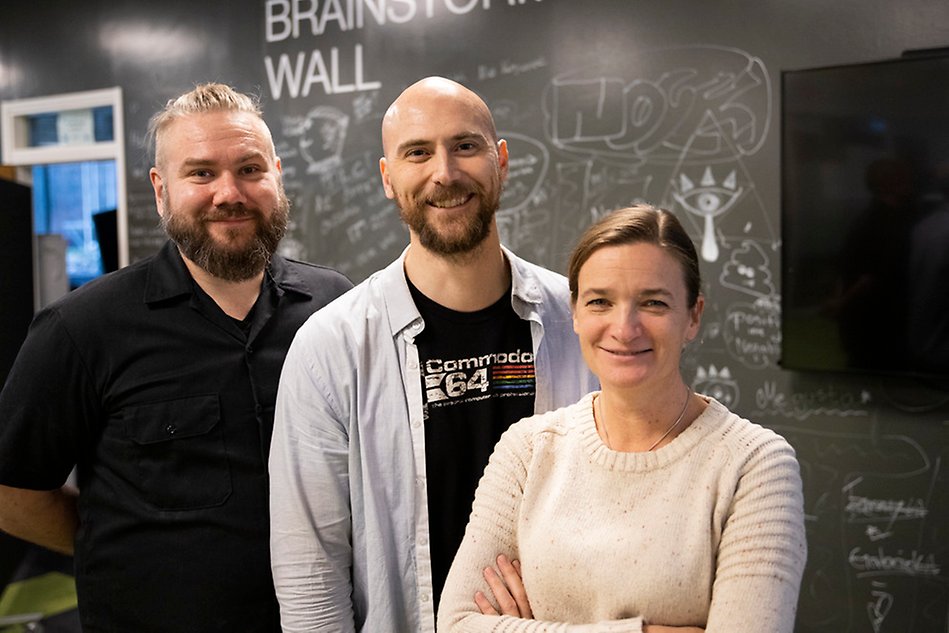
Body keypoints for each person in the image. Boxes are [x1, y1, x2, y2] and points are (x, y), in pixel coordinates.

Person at [0, 83, 353, 632]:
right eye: (202, 173)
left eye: (250, 169)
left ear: (278, 177)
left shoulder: (336, 307)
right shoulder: (81, 328)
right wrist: (111, 543)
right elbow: (11, 490)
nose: (229, 192)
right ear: (161, 190)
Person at [269, 76, 598, 633]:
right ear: (387, 178)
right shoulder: (331, 348)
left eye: (465, 146)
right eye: (417, 152)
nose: (444, 172)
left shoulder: (581, 322)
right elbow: (310, 572)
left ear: (502, 162)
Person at [438, 204, 807, 633]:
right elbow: (458, 623)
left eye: (653, 303)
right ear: (574, 313)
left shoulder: (756, 466)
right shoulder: (528, 449)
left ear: (693, 316)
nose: (624, 327)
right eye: (600, 302)